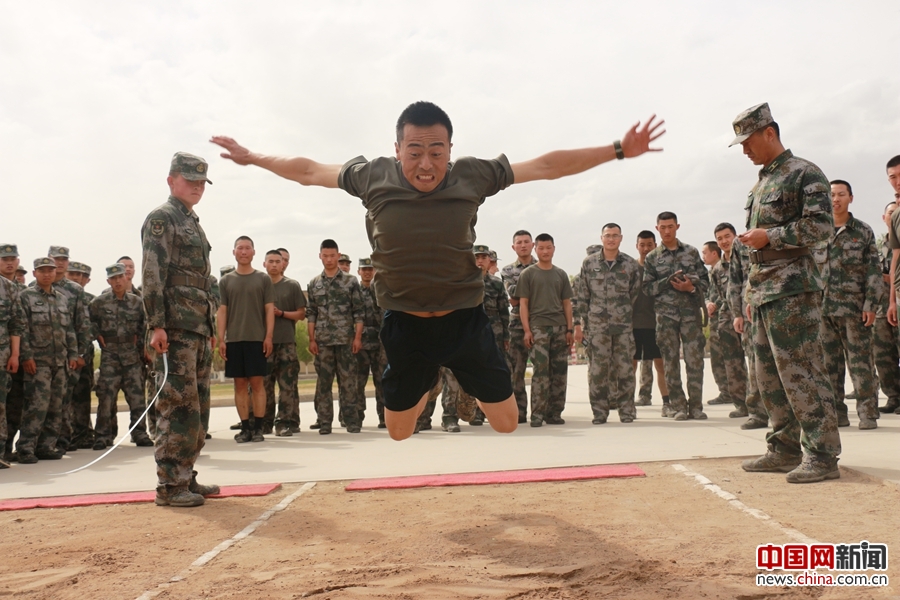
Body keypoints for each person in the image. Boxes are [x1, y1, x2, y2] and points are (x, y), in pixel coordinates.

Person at [211, 100, 664, 440]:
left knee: (506, 424)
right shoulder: (372, 176)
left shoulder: (472, 175)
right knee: (398, 431)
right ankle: (427, 374)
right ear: (396, 149)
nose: (425, 164)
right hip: (405, 324)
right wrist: (253, 158)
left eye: (436, 151)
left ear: (450, 149)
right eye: (414, 152)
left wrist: (619, 149)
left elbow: (545, 166)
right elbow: (309, 170)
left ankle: (458, 377)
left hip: (464, 320)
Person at [730, 102, 841, 483]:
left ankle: (823, 454)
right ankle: (782, 448)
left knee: (802, 373)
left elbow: (821, 227)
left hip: (794, 288)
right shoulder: (760, 185)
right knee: (768, 377)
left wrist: (771, 236)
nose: (744, 150)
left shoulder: (804, 174)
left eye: (748, 141)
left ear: (770, 133)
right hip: (763, 289)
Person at [142, 151, 220, 507]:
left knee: (198, 406)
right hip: (174, 328)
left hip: (196, 327)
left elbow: (202, 280)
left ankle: (186, 475)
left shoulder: (192, 221)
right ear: (171, 180)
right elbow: (152, 273)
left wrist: (209, 323)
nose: (197, 188)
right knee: (177, 405)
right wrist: (156, 324)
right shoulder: (163, 218)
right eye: (190, 181)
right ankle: (170, 486)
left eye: (201, 182)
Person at [820, 180, 882, 430]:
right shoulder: (818, 231)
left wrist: (871, 304)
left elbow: (874, 271)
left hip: (855, 309)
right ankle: (837, 414)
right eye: (832, 195)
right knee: (829, 366)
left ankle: (868, 413)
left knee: (861, 364)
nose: (836, 199)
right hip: (823, 310)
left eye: (841, 194)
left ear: (851, 198)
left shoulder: (862, 231)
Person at [642, 212, 709, 421]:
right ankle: (678, 406)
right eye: (663, 227)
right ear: (657, 229)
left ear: (677, 227)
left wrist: (690, 286)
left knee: (695, 361)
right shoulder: (652, 258)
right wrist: (666, 281)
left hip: (690, 315)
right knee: (670, 363)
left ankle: (696, 407)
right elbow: (646, 288)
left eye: (671, 226)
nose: (667, 231)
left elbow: (706, 282)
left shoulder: (691, 252)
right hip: (666, 317)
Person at [575, 224, 641, 424]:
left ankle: (627, 411)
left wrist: (621, 312)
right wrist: (579, 324)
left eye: (615, 236)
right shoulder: (589, 263)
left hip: (623, 327)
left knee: (625, 371)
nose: (611, 239)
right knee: (597, 371)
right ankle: (599, 412)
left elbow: (634, 293)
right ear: (601, 238)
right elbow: (582, 296)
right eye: (607, 236)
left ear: (621, 238)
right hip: (597, 328)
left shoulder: (630, 264)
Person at [16, 258, 78, 464]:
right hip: (38, 362)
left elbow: (69, 330)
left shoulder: (62, 299)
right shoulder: (25, 297)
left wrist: (73, 354)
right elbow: (22, 329)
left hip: (59, 361)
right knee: (36, 406)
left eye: (50, 271)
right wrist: (26, 356)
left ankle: (46, 446)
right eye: (42, 271)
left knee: (56, 406)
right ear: (34, 274)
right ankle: (25, 448)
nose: (47, 274)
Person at [218, 236, 275, 443]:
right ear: (234, 252)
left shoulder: (263, 279)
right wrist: (221, 339)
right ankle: (245, 428)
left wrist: (268, 336)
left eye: (247, 248)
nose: (243, 251)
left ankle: (258, 427)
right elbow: (222, 311)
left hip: (256, 339)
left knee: (258, 384)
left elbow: (269, 309)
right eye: (240, 248)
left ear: (253, 252)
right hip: (234, 340)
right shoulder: (226, 281)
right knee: (239, 385)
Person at [90, 263, 152, 449]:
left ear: (126, 278)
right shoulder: (98, 303)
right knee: (106, 399)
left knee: (137, 398)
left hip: (132, 357)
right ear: (108, 281)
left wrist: (143, 349)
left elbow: (145, 327)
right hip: (110, 357)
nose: (117, 281)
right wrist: (98, 336)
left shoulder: (137, 302)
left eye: (120, 277)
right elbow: (89, 322)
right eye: (113, 278)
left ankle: (140, 433)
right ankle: (102, 436)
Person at [306, 239, 364, 435]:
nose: (329, 259)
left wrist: (357, 338)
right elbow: (311, 313)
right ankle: (324, 422)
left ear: (338, 256)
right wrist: (311, 339)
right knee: (324, 383)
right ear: (320, 256)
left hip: (346, 340)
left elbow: (358, 312)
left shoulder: (350, 281)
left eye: (332, 256)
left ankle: (351, 421)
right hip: (322, 342)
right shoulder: (314, 283)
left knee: (348, 383)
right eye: (325, 256)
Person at [517, 233, 574, 426]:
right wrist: (527, 330)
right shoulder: (528, 274)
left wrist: (569, 329)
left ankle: (554, 413)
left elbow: (567, 304)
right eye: (541, 248)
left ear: (554, 249)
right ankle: (537, 415)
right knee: (541, 372)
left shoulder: (560, 274)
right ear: (536, 249)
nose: (545, 251)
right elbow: (523, 304)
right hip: (538, 328)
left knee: (559, 372)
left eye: (548, 247)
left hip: (559, 328)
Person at [47, 246, 92, 455]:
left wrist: (81, 353)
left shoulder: (75, 290)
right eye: (56, 259)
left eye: (64, 259)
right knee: (45, 400)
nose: (60, 263)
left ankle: (63, 439)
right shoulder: (32, 288)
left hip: (69, 353)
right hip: (43, 355)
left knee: (65, 399)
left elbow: (83, 324)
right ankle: (45, 441)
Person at [708, 225, 755, 422]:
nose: (724, 241)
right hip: (727, 318)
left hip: (748, 314)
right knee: (732, 363)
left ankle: (758, 405)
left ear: (735, 236)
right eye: (720, 239)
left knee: (754, 361)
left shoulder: (748, 256)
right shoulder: (717, 269)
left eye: (727, 236)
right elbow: (717, 295)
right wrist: (712, 304)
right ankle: (741, 404)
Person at [263, 250, 306, 437]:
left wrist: (281, 313)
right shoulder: (259, 285)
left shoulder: (292, 285)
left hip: (286, 342)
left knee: (287, 385)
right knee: (264, 385)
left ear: (283, 264)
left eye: (277, 261)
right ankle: (264, 422)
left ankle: (284, 423)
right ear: (264, 264)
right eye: (270, 261)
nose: (274, 265)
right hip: (264, 343)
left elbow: (301, 314)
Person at [473, 245, 510, 425]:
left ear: (489, 261)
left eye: (483, 257)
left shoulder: (496, 283)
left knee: (491, 374)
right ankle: (459, 415)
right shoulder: (462, 282)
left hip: (493, 334)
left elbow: (504, 312)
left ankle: (489, 412)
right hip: (470, 335)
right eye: (476, 257)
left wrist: (506, 337)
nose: (480, 260)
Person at [502, 230, 537, 424]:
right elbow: (514, 297)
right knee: (516, 372)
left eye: (526, 242)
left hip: (541, 323)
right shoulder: (508, 271)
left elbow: (518, 295)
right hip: (516, 326)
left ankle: (543, 411)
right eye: (519, 242)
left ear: (533, 245)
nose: (523, 245)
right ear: (513, 247)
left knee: (543, 372)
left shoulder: (544, 267)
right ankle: (520, 412)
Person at [632, 231, 667, 407]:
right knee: (631, 366)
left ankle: (667, 402)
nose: (646, 249)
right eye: (642, 245)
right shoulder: (630, 269)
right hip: (634, 326)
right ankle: (627, 402)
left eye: (649, 245)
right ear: (636, 246)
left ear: (655, 245)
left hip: (657, 325)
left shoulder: (661, 269)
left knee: (661, 365)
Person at [66, 261, 97, 450]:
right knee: (64, 396)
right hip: (63, 352)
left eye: (82, 275)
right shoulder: (60, 296)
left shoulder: (92, 300)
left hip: (85, 353)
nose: (78, 278)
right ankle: (66, 434)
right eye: (74, 274)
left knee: (83, 394)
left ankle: (84, 433)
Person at [874, 201, 900, 415]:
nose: (892, 216)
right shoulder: (877, 245)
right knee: (883, 356)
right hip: (881, 308)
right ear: (884, 218)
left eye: (895, 212)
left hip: (897, 302)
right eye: (889, 213)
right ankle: (893, 397)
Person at [356, 257, 388, 429]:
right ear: (358, 271)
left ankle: (384, 417)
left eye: (370, 269)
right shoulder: (355, 291)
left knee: (381, 382)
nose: (367, 272)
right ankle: (357, 417)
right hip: (359, 343)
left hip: (378, 342)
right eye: (364, 269)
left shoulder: (380, 290)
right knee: (358, 382)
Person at [0, 246, 24, 469]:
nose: (8, 263)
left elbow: (16, 324)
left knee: (1, 406)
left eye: (11, 259)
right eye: (3, 259)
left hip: (2, 357)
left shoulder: (9, 288)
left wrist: (15, 354)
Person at [701, 240, 730, 406]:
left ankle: (738, 391)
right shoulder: (710, 273)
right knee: (717, 357)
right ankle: (725, 391)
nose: (703, 256)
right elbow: (706, 293)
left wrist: (715, 304)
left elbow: (727, 291)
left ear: (714, 253)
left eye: (705, 252)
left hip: (726, 318)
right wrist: (707, 303)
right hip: (714, 320)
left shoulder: (725, 269)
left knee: (731, 358)